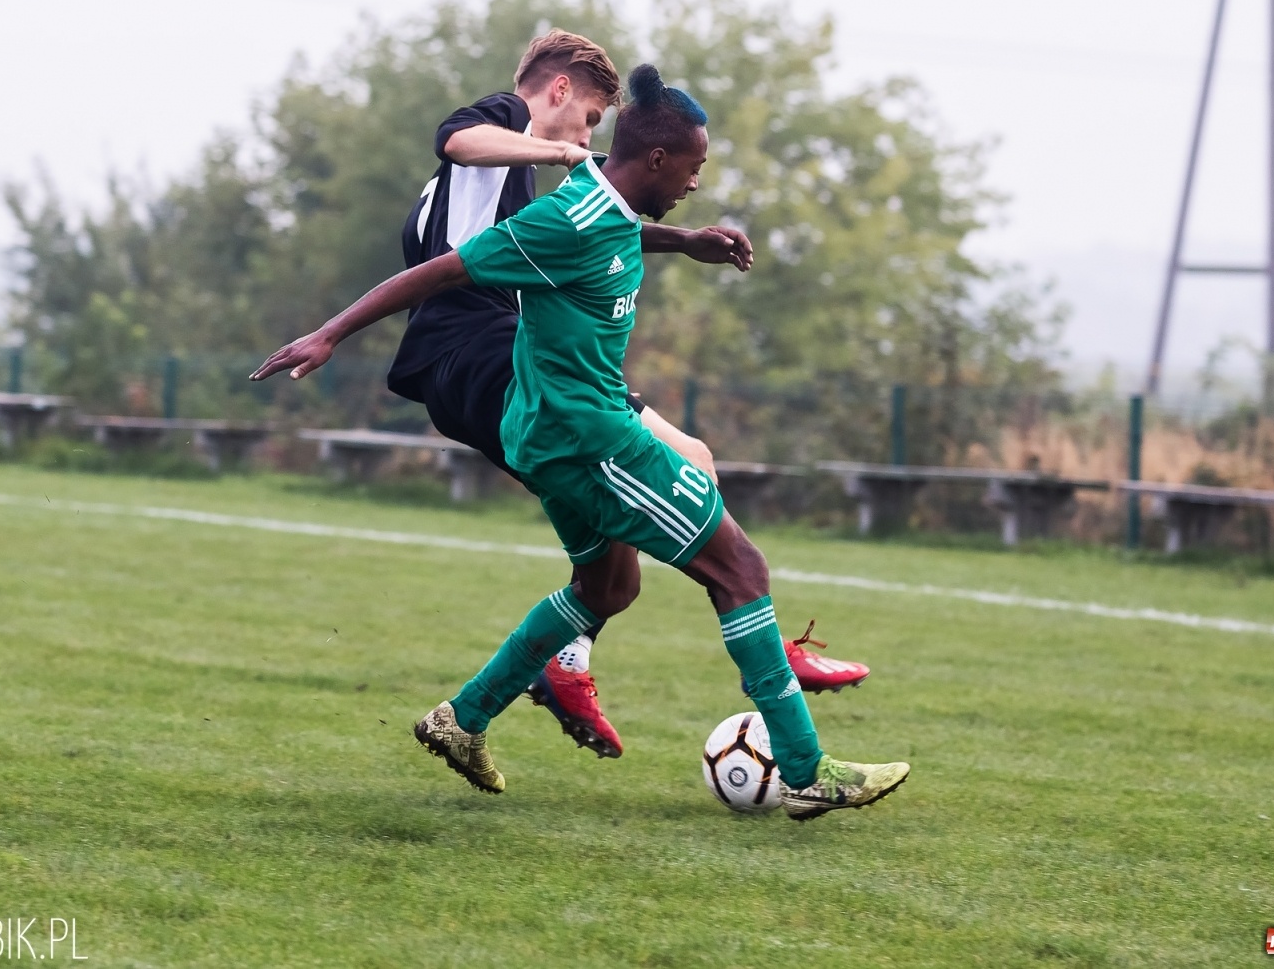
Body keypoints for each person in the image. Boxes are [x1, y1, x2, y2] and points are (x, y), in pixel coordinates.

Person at [252, 64, 909, 821]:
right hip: (589, 439)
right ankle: (806, 769)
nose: (697, 181)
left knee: (609, 589)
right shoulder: (564, 218)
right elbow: (441, 271)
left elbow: (615, 230)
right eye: (693, 166)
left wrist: (686, 240)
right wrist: (329, 334)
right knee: (739, 568)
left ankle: (463, 719)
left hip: (547, 434)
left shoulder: (603, 203)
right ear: (657, 159)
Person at [384, 30, 870, 759]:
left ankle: (486, 706)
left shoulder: (515, 180)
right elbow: (456, 140)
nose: (588, 138)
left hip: (469, 366)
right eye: (588, 119)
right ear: (557, 89)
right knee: (690, 464)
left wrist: (683, 240)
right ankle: (757, 646)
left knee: (612, 577)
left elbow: (588, 235)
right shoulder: (506, 121)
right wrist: (559, 152)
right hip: (482, 358)